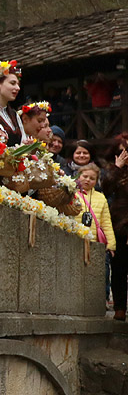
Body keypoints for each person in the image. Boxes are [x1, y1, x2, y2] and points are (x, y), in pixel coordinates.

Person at [76, 162, 116, 311]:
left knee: (101, 274)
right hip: (75, 239)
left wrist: (111, 244)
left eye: (92, 178)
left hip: (95, 241)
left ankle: (102, 300)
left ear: (97, 181)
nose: (87, 180)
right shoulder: (70, 193)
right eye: (84, 176)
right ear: (78, 176)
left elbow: (106, 222)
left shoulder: (101, 197)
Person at [105, 135, 128, 320]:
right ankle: (120, 307)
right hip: (119, 224)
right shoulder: (115, 170)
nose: (125, 155)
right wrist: (117, 167)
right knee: (118, 269)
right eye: (121, 151)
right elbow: (104, 189)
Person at [0, 60, 24, 145]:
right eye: (12, 83)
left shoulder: (15, 115)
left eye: (18, 84)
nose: (18, 88)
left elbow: (23, 142)